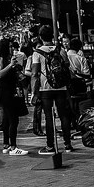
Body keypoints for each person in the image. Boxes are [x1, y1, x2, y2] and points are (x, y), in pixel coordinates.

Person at [30, 26, 75, 154]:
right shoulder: (60, 50)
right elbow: (66, 66)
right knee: (64, 115)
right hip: (61, 87)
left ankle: (50, 146)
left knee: (49, 117)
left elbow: (34, 73)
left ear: (40, 37)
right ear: (52, 36)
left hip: (45, 88)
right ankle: (68, 144)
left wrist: (34, 92)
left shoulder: (37, 53)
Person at [0, 38, 28, 156]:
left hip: (10, 91)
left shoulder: (9, 59)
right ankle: (13, 146)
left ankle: (6, 144)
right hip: (6, 93)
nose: (12, 49)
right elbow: (0, 74)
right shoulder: (1, 59)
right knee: (13, 119)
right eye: (9, 47)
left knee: (7, 119)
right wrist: (10, 65)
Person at [67, 37, 92, 115]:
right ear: (79, 48)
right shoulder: (81, 59)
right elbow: (87, 74)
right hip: (79, 84)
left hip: (67, 85)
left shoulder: (64, 57)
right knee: (81, 104)